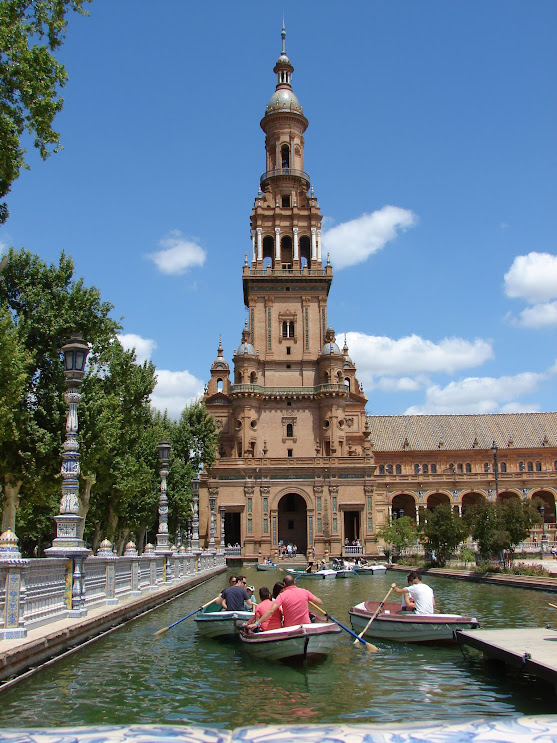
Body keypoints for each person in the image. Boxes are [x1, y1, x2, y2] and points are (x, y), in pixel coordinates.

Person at [254, 574, 323, 627]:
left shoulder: (282, 596)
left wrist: (257, 623)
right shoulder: (305, 592)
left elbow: (271, 610)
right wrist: (306, 598)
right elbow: (320, 602)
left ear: (284, 585)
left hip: (290, 627)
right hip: (306, 625)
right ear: (294, 582)